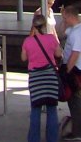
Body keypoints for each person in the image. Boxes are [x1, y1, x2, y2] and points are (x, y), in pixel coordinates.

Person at [23, 13, 63, 142]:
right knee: (52, 109)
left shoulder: (28, 41)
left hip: (35, 78)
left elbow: (23, 58)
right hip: (50, 77)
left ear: (33, 26)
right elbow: (58, 53)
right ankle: (52, 138)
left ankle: (34, 139)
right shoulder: (51, 38)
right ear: (45, 26)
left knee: (35, 110)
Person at [61, 5, 81, 141]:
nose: (64, 20)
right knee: (75, 98)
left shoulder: (78, 33)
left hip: (76, 69)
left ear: (70, 16)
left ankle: (79, 132)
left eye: (65, 18)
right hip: (79, 67)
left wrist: (67, 70)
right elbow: (63, 32)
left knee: (75, 99)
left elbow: (75, 53)